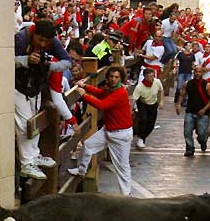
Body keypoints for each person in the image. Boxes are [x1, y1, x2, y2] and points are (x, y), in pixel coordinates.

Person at [15, 19, 72, 180]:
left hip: (35, 86)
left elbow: (67, 62)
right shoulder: (20, 38)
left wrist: (49, 66)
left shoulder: (51, 42)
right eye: (40, 40)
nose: (42, 44)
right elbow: (6, 61)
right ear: (34, 34)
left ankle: (34, 156)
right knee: (25, 123)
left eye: (46, 41)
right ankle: (27, 163)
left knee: (35, 122)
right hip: (17, 86)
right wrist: (26, 60)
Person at [67, 66, 133, 195]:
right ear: (108, 77)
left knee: (122, 167)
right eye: (111, 76)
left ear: (121, 79)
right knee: (88, 145)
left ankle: (126, 195)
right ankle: (81, 170)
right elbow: (100, 93)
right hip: (109, 130)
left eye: (116, 77)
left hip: (121, 135)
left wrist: (84, 95)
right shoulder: (111, 89)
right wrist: (85, 87)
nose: (113, 79)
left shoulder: (120, 92)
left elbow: (102, 105)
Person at [176, 67, 210, 156]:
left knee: (201, 132)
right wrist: (179, 104)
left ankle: (203, 141)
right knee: (187, 131)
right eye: (196, 72)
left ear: (202, 73)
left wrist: (204, 109)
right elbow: (182, 94)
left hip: (203, 113)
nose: (197, 73)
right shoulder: (188, 84)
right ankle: (190, 149)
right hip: (190, 111)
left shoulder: (207, 85)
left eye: (199, 72)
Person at [132, 68, 164, 149]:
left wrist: (161, 101)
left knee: (151, 123)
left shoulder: (157, 82)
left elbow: (161, 91)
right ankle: (140, 137)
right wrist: (130, 111)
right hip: (142, 103)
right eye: (150, 76)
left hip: (153, 103)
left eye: (153, 76)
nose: (152, 78)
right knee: (143, 120)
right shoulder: (139, 87)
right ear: (145, 77)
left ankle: (142, 137)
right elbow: (134, 99)